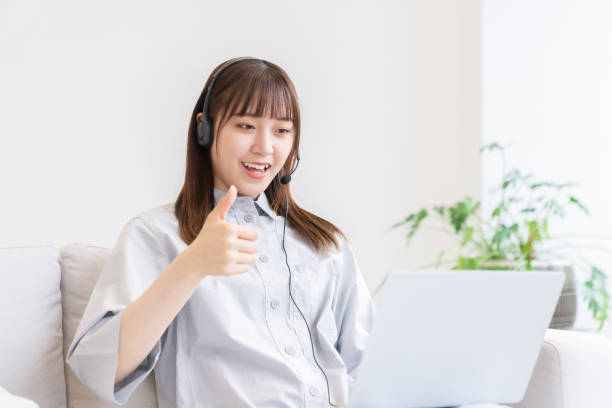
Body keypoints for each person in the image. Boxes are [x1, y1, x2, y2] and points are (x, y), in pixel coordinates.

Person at [66, 57, 376, 407]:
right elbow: (99, 371)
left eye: (282, 131)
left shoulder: (324, 244)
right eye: (246, 126)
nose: (265, 147)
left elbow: (369, 366)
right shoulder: (156, 235)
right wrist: (192, 265)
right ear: (205, 128)